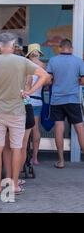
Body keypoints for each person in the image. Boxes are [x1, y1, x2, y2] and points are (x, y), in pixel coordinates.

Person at [0, 32, 49, 197]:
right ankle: (13, 185)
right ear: (13, 46)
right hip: (17, 111)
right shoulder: (22, 61)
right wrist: (29, 92)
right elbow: (44, 76)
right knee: (17, 148)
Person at [46, 39, 84, 169]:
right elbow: (83, 81)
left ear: (60, 48)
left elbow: (49, 80)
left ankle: (61, 161)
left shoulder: (53, 60)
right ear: (71, 48)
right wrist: (75, 83)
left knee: (59, 128)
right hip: (73, 99)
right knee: (80, 129)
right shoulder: (79, 61)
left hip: (57, 100)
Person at [25, 43, 46, 165]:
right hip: (38, 99)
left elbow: (26, 82)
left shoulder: (26, 65)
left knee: (25, 129)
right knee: (36, 128)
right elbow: (47, 82)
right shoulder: (43, 66)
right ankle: (35, 157)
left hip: (27, 100)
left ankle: (24, 153)